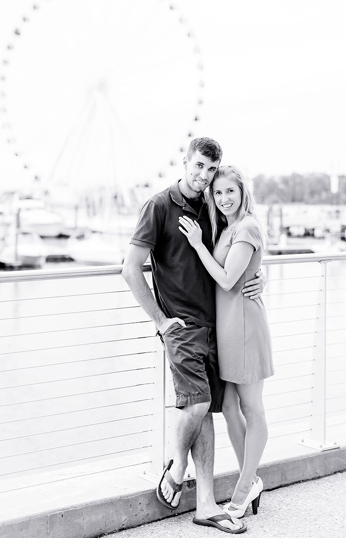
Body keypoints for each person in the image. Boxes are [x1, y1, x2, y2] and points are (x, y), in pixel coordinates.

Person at [121, 137, 264, 535]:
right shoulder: (159, 206)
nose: (203, 177)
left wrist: (258, 274)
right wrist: (160, 321)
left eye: (210, 169)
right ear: (184, 162)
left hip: (219, 326)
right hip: (181, 327)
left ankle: (204, 504)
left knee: (209, 411)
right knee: (197, 402)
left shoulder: (213, 204)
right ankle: (176, 463)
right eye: (198, 166)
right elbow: (130, 269)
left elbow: (240, 245)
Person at [178, 165, 273, 519]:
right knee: (230, 408)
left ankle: (245, 488)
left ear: (242, 191)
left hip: (246, 328)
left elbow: (229, 279)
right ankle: (252, 480)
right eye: (217, 193)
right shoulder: (227, 227)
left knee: (252, 409)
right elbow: (249, 267)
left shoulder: (246, 225)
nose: (223, 198)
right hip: (228, 330)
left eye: (229, 191)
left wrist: (197, 244)